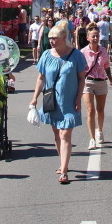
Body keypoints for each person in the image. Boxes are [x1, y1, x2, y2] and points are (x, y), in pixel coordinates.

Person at [31, 21, 87, 184]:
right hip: (51, 101)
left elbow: (81, 78)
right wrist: (34, 98)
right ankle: (63, 161)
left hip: (69, 102)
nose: (51, 41)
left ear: (64, 37)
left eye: (54, 38)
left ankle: (64, 171)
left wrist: (78, 98)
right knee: (57, 133)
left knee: (65, 133)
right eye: (50, 38)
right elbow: (41, 78)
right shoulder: (46, 55)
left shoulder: (76, 55)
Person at [81, 23, 112, 149]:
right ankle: (92, 138)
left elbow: (106, 67)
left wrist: (111, 82)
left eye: (97, 36)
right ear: (88, 38)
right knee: (90, 111)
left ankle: (99, 131)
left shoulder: (103, 51)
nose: (95, 38)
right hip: (88, 83)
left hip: (101, 82)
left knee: (100, 110)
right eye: (93, 36)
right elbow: (80, 70)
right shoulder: (83, 52)